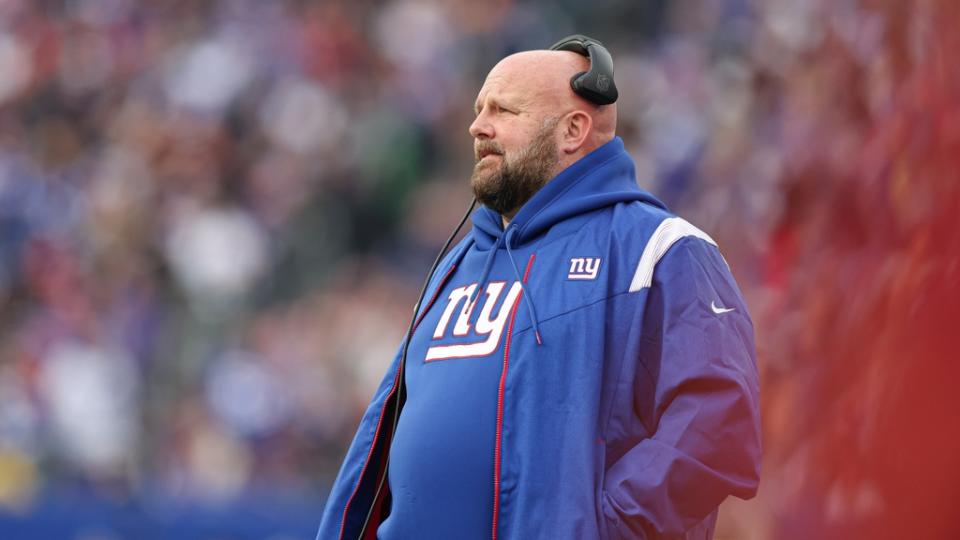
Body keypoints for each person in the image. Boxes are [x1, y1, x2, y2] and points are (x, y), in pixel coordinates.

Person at [317, 36, 761, 540]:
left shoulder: (660, 248)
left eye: (504, 110)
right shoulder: (457, 263)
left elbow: (718, 428)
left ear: (573, 129)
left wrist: (605, 527)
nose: (477, 126)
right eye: (479, 109)